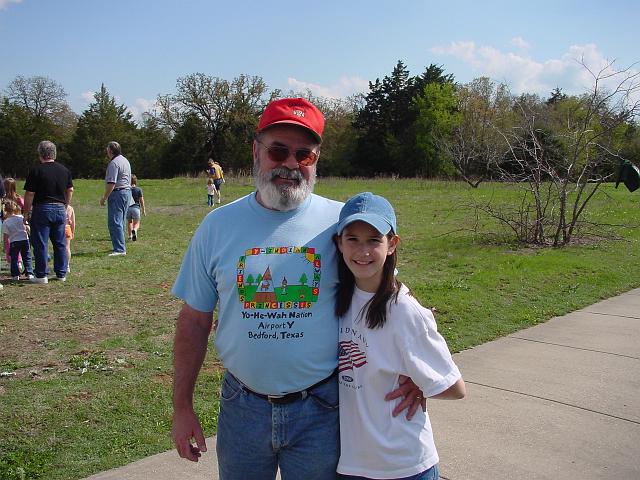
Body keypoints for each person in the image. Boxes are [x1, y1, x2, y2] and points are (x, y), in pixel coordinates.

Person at [171, 98, 424, 480]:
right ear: (257, 152)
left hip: (321, 408)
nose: (291, 164)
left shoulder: (341, 224)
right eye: (278, 151)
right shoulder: (217, 225)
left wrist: (416, 369)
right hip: (242, 407)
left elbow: (385, 297)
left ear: (316, 160)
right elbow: (193, 320)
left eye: (304, 155)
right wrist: (182, 407)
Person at [334, 192, 466, 480]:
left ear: (392, 244)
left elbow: (455, 387)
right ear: (338, 243)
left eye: (374, 240)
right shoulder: (338, 300)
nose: (362, 251)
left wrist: (421, 383)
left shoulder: (405, 311)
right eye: (352, 239)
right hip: (353, 465)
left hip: (404, 466)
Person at [22, 140, 73, 284]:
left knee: (41, 242)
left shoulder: (36, 170)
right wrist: (65, 205)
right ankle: (61, 273)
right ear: (54, 153)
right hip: (59, 208)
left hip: (42, 208)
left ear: (41, 154)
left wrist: (26, 212)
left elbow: (30, 193)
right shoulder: (64, 170)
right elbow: (70, 190)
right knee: (60, 242)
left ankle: (41, 274)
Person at [100, 141, 131, 256]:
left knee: (114, 222)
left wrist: (104, 197)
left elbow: (111, 183)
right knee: (121, 221)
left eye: (107, 149)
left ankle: (119, 249)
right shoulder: (125, 160)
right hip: (126, 192)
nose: (106, 152)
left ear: (111, 151)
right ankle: (120, 245)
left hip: (117, 193)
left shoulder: (114, 163)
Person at [2, 200, 33, 280]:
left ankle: (16, 275)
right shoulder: (22, 218)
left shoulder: (6, 222)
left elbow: (5, 237)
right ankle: (29, 273)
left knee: (14, 259)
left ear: (6, 210)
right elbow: (27, 228)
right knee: (27, 257)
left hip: (14, 242)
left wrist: (5, 247)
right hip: (24, 240)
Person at [3, 177, 25, 267]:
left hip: (7, 222)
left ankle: (10, 260)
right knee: (18, 240)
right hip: (19, 222)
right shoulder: (18, 198)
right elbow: (24, 207)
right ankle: (19, 261)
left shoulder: (3, 200)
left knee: (7, 241)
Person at [126, 174, 145, 241]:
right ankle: (134, 230)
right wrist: (143, 209)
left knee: (129, 222)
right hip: (136, 208)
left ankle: (130, 236)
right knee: (137, 223)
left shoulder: (126, 190)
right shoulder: (138, 189)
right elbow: (141, 200)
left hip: (128, 208)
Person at [65, 204, 75, 272]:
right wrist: (72, 231)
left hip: (58, 228)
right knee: (67, 247)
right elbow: (73, 222)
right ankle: (67, 265)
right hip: (67, 228)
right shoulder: (70, 208)